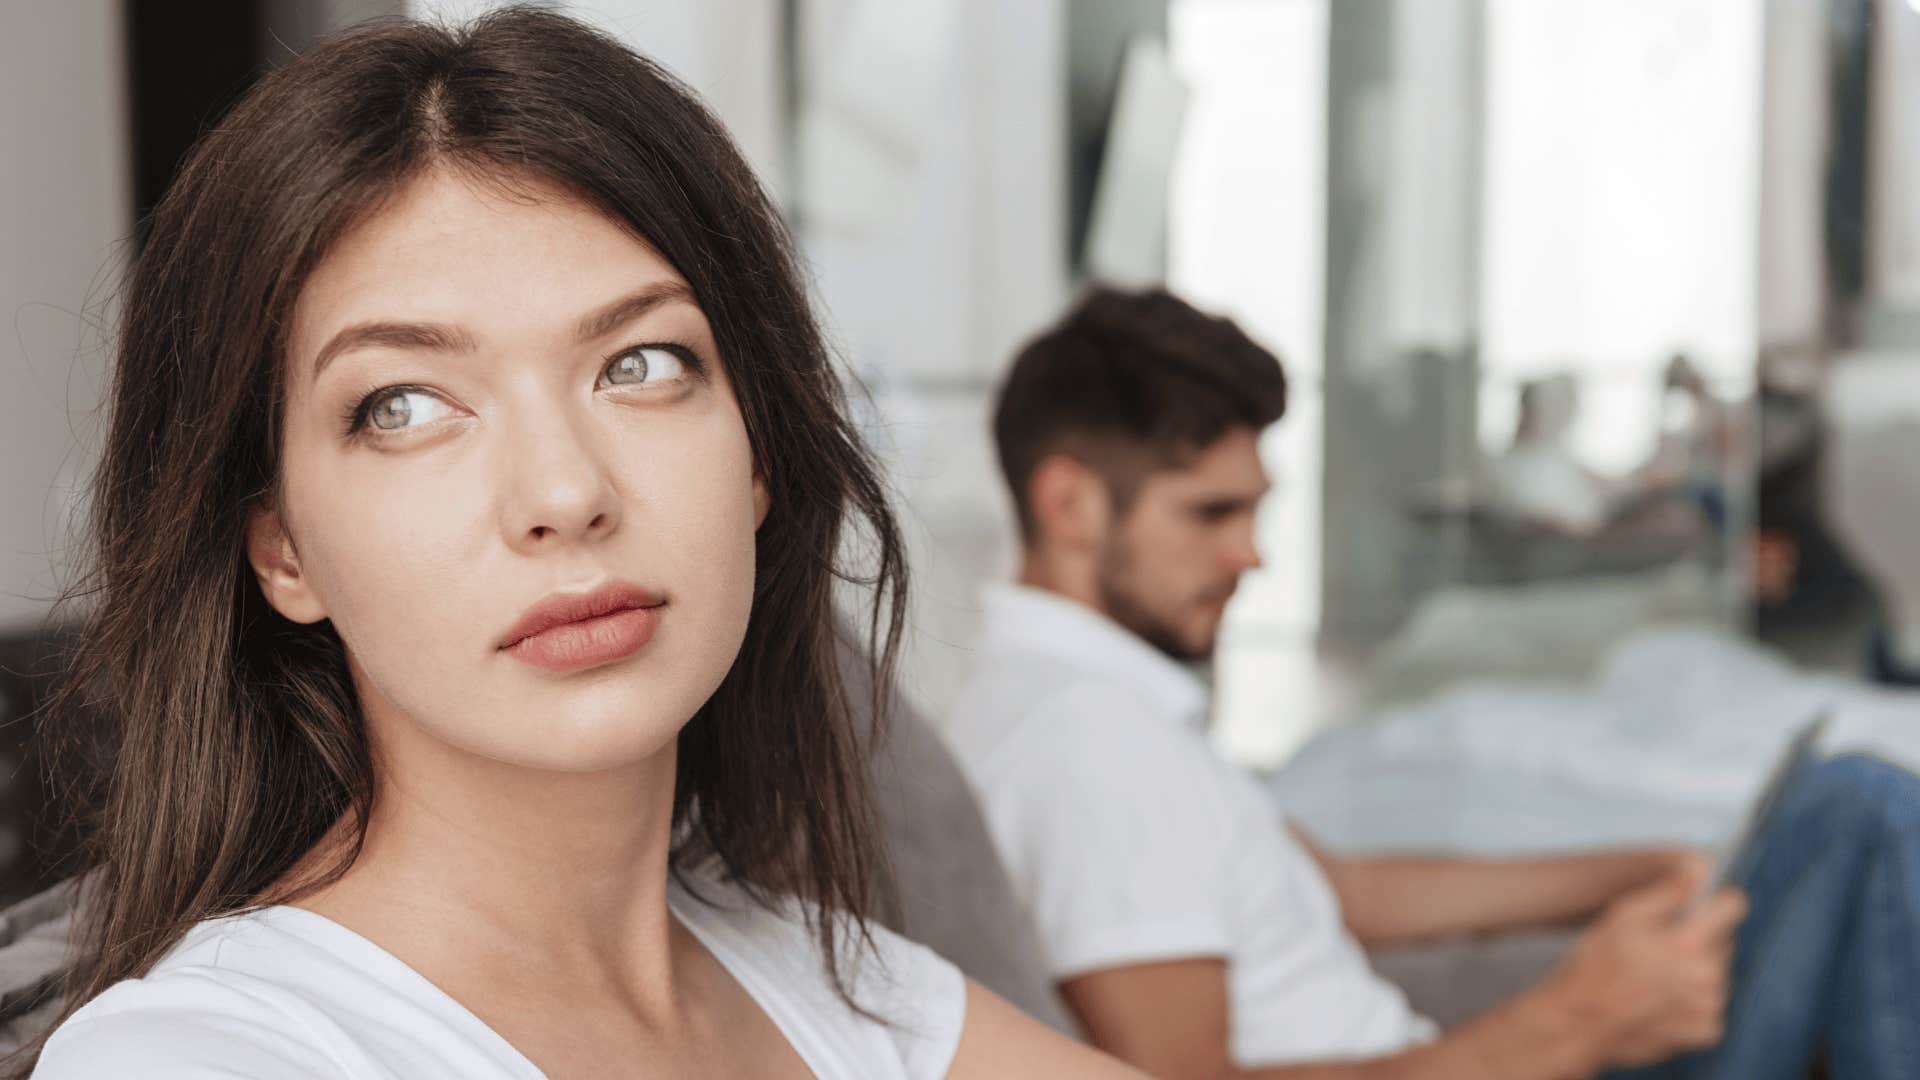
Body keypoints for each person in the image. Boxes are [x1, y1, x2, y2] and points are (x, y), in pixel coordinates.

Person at [21, 11, 1136, 1079]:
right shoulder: (201, 1058)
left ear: (758, 453)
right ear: (282, 552)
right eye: (404, 405)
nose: (563, 491)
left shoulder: (849, 991)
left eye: (640, 365)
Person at [948, 285, 1920, 1079]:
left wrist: (1635, 865)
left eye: (1255, 512)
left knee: (1843, 811)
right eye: (1210, 514)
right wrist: (1570, 1024)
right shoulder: (1089, 749)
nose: (1250, 554)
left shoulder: (1098, 707)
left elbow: (1343, 891)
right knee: (1860, 806)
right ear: (1069, 503)